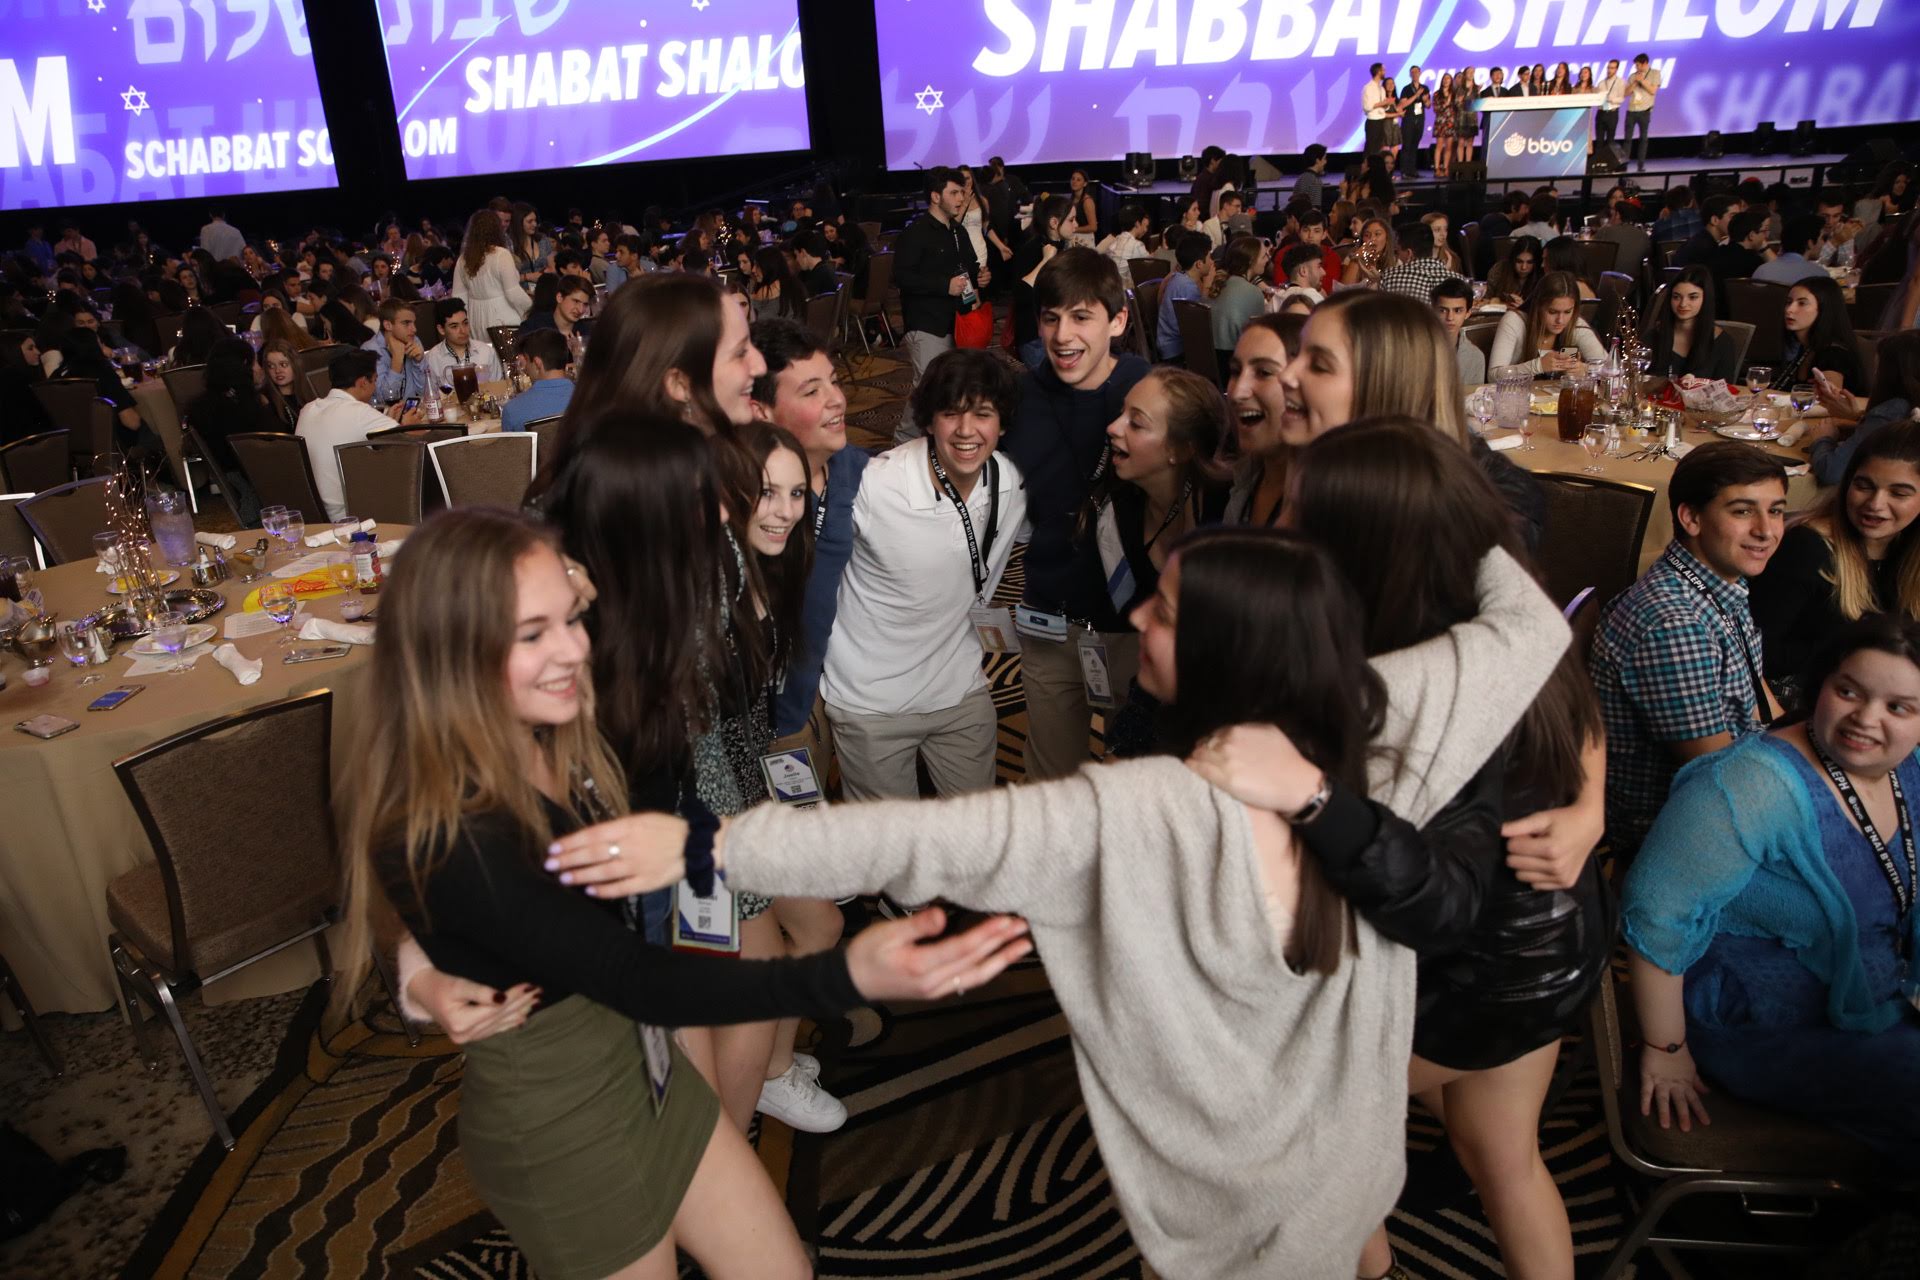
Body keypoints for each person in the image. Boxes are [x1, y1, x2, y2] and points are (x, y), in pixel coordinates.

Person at [553, 515, 1565, 1278]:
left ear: (1225, 650)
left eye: (1166, 611)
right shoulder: (1383, 728)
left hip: (1227, 1221)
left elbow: (915, 838)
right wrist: (1441, 484)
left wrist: (710, 842)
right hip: (1352, 1176)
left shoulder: (1133, 812)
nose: (1138, 616)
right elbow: (1525, 627)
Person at [343, 507, 1031, 1280]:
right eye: (532, 633)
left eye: (571, 619)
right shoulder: (455, 831)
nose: (573, 649)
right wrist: (845, 975)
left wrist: (423, 977)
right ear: (451, 652)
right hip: (567, 1128)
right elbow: (634, 977)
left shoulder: (554, 731)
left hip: (651, 1068)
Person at [1280, 417, 1610, 1280]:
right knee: (1502, 1157)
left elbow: (1381, 866)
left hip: (1478, 963)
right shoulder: (1501, 600)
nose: (1284, 528)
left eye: (1304, 514)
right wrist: (1593, 808)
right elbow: (1583, 714)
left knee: (1304, 1133)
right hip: (1557, 937)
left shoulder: (1408, 671)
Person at [1621, 613, 1920, 1170]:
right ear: (1821, 684)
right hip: (1764, 1023)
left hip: (1881, 997)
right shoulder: (1749, 784)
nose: (1865, 718)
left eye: (1898, 708)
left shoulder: (1909, 767)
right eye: (1848, 691)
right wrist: (1667, 1052)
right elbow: (1654, 913)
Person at [818, 351, 1025, 801]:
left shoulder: (1012, 483)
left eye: (983, 414)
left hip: (960, 688)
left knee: (980, 830)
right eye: (951, 413)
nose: (966, 430)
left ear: (1002, 424)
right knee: (894, 842)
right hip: (871, 700)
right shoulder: (876, 487)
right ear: (929, 421)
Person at [1591, 442, 1789, 859]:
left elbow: (1761, 705)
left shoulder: (1722, 583)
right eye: (1743, 511)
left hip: (1735, 782)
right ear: (1691, 518)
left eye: (1775, 511)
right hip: (1681, 834)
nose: (1766, 530)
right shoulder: (1675, 625)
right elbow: (1716, 780)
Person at [1004, 248, 1149, 780]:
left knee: (1137, 778)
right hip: (1050, 621)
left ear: (1118, 321)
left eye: (1081, 317)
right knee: (1052, 779)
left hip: (1134, 626)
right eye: (1051, 318)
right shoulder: (1018, 398)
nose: (1063, 335)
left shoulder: (1149, 394)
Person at [1273, 290, 1546, 549]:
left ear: (1387, 386)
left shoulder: (1457, 528)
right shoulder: (1298, 460)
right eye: (1296, 355)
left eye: (1319, 365)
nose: (1286, 375)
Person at [750, 318, 866, 756]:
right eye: (811, 391)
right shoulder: (737, 497)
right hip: (753, 711)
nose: (837, 399)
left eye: (834, 382)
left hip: (834, 691)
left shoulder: (863, 474)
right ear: (762, 411)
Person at [1751, 423, 1920, 709]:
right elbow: (1755, 654)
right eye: (1863, 486)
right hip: (1801, 703)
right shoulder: (1807, 547)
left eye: (1899, 493)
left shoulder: (1909, 552)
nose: (1875, 504)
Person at [893, 167, 987, 442]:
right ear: (935, 197)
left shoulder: (957, 230)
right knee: (927, 388)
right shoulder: (916, 233)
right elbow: (902, 277)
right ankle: (901, 443)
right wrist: (944, 285)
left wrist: (981, 277)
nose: (961, 198)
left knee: (951, 386)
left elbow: (970, 266)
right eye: (954, 193)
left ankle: (940, 443)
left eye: (962, 192)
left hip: (956, 321)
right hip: (926, 323)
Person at [296, 349, 424, 520]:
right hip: (351, 514)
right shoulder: (359, 412)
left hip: (313, 514)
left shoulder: (307, 409)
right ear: (363, 382)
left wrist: (390, 423)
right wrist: (407, 426)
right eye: (375, 380)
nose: (374, 387)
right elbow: (408, 440)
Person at [186, 337, 283, 523]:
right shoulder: (244, 409)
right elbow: (274, 446)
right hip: (258, 485)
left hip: (235, 480)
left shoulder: (203, 407)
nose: (260, 369)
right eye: (255, 362)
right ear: (244, 365)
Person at [1807, 333, 1920, 485]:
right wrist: (1859, 419)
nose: (1875, 374)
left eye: (1878, 369)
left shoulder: (1892, 410)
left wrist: (1822, 439)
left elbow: (1832, 472)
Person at [1488, 272, 1606, 375]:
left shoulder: (1576, 325)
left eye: (1567, 312)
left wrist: (1585, 369)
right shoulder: (1514, 321)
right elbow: (1493, 374)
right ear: (1538, 306)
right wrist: (1538, 366)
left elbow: (1610, 369)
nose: (1560, 320)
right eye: (1552, 312)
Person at [1641, 266, 1738, 382]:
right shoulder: (1653, 337)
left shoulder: (1723, 343)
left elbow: (1725, 389)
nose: (1683, 304)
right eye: (1676, 297)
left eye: (1692, 297)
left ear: (1706, 299)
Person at [1775, 275, 1866, 399]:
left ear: (1824, 309)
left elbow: (1828, 401)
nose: (1789, 309)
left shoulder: (1834, 354)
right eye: (1789, 302)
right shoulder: (1807, 346)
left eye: (1802, 303)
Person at [452, 209, 532, 335]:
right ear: (496, 229)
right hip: (502, 320)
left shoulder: (463, 259)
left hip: (476, 321)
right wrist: (531, 308)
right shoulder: (501, 255)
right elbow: (513, 293)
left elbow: (458, 298)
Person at [1154, 232, 1216, 365]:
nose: (1212, 262)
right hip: (1175, 352)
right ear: (1199, 264)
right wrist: (1207, 286)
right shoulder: (1187, 287)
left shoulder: (1179, 277)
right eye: (1209, 257)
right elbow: (1197, 323)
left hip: (1167, 343)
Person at [501, 330, 575, 433]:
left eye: (527, 361)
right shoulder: (591, 398)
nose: (525, 369)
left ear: (537, 363)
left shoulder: (512, 410)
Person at [1207, 236, 1270, 357]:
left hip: (1210, 356)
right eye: (1264, 256)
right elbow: (1256, 338)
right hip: (1234, 359)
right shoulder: (1253, 292)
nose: (1267, 259)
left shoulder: (1219, 283)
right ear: (1251, 261)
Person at [424, 297, 505, 385]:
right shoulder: (432, 359)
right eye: (454, 326)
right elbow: (430, 392)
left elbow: (499, 388)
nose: (463, 330)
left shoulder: (486, 352)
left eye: (465, 323)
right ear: (441, 329)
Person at [362, 298, 427, 406]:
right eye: (406, 323)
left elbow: (425, 392)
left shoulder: (414, 341)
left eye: (413, 323)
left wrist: (419, 362)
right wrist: (397, 361)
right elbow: (383, 400)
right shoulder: (369, 350)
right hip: (385, 415)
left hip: (414, 409)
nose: (414, 329)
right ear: (388, 325)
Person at [1378, 221, 1464, 300]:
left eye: (1397, 252)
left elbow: (1381, 309)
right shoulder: (1458, 280)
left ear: (1409, 253)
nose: (1396, 256)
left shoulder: (1389, 277)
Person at [1432, 277, 1486, 386]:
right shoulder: (1416, 349)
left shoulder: (1475, 357)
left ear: (1468, 313)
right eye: (1443, 310)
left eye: (1457, 311)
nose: (1450, 317)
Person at [1753, 213, 1831, 287]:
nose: (1824, 243)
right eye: (1823, 238)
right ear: (1810, 243)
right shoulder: (1820, 276)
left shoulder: (1762, 271)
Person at [1709, 209, 1774, 294]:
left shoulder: (1716, 252)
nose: (1765, 236)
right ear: (1751, 235)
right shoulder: (1754, 261)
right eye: (1763, 231)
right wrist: (1765, 248)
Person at [1594, 198, 1653, 281]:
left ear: (1618, 215)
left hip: (1604, 283)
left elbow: (1590, 251)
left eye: (1612, 214)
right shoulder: (1644, 236)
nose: (1611, 218)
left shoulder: (1605, 231)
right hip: (1632, 284)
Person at [260, 338, 311, 429]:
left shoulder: (309, 390)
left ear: (295, 365)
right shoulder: (265, 399)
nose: (277, 371)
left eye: (283, 364)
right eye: (271, 366)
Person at [1625, 53, 1661, 170]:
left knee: (1643, 139)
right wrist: (1635, 82)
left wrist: (1642, 80)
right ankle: (1624, 165)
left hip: (1645, 111)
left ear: (1645, 63)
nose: (1636, 67)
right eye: (1635, 65)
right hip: (1631, 110)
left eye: (1638, 65)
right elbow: (1626, 93)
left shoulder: (1655, 73)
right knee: (1627, 139)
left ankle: (1640, 165)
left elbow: (1653, 91)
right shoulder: (1633, 76)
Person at [1095, 201, 1150, 273]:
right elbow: (1151, 264)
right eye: (1143, 223)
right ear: (1137, 224)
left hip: (1112, 278)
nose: (1145, 229)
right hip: (1124, 280)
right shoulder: (1137, 245)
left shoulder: (1114, 242)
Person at [1340, 217, 1395, 288]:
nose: (1372, 238)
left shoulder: (1395, 262)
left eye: (1377, 234)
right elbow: (1345, 289)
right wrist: (1357, 258)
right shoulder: (1351, 259)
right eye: (1367, 235)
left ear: (1387, 239)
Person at [1273, 242, 1326, 310]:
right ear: (1303, 271)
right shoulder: (1312, 296)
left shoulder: (1275, 299)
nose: (1324, 272)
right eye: (1319, 266)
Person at [1189, 144, 1230, 216]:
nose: (1222, 164)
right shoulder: (1205, 179)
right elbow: (1202, 205)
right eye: (1221, 161)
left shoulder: (1204, 177)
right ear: (1213, 161)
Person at [1362, 62, 1393, 157]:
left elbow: (1384, 106)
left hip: (1381, 120)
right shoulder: (1368, 87)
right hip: (1373, 122)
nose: (1385, 72)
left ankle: (1376, 165)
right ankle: (1367, 165)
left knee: (1378, 149)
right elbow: (1367, 107)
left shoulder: (1381, 88)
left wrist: (1387, 103)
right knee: (1371, 149)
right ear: (1378, 72)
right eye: (1383, 70)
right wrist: (1382, 103)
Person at [1595, 58, 1626, 143]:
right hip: (1601, 112)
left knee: (1610, 140)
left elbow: (1621, 99)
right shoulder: (1601, 83)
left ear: (1616, 69)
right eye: (1608, 68)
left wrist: (1611, 99)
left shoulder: (1620, 82)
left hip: (1612, 113)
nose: (1609, 70)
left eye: (1612, 68)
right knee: (1599, 139)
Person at [1292, 143, 1328, 209]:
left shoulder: (1301, 178)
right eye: (1324, 158)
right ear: (1317, 160)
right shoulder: (1315, 181)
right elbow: (1315, 209)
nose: (1325, 162)